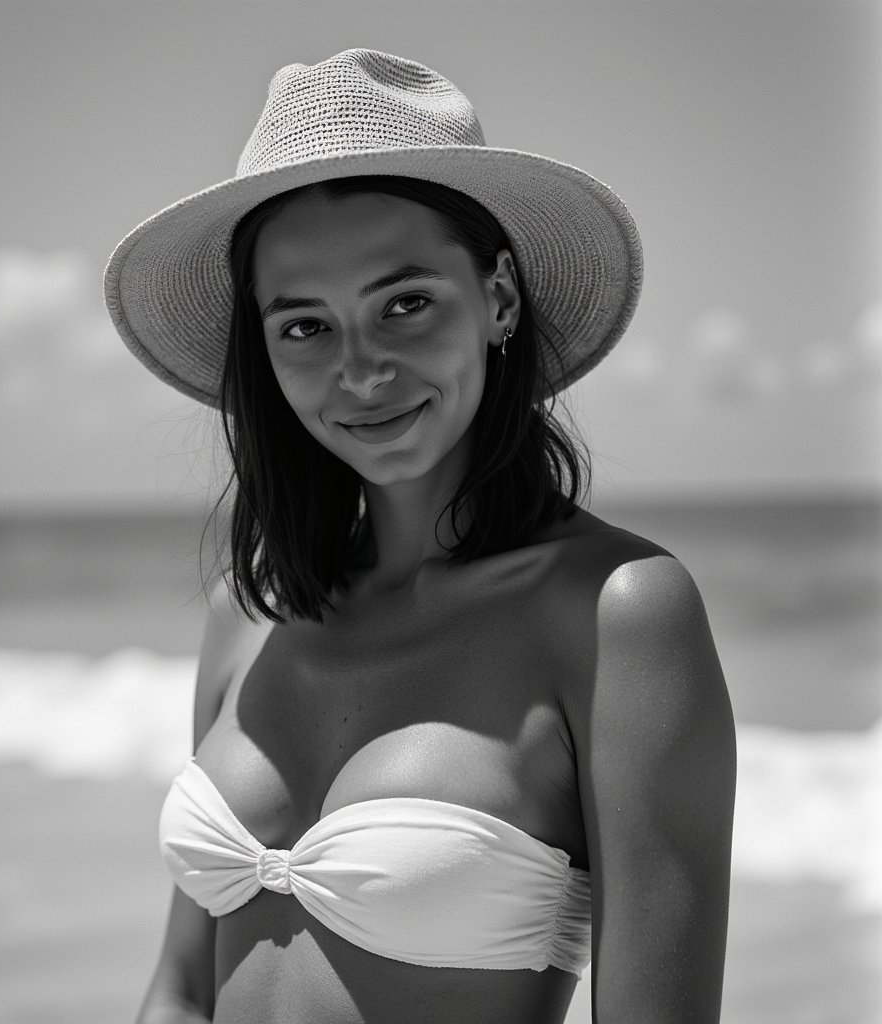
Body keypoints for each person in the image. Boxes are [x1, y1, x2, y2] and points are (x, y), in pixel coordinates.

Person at [105, 49, 736, 1024]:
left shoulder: (620, 613)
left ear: (498, 299)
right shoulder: (250, 610)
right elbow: (178, 989)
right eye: (305, 325)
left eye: (404, 303)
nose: (360, 370)